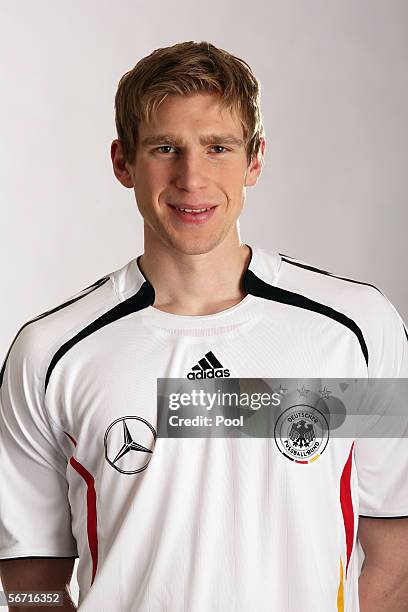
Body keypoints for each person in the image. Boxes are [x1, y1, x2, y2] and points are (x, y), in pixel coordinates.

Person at [0, 40, 407, 612]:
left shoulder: (356, 330)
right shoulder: (49, 354)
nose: (192, 177)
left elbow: (397, 558)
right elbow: (28, 582)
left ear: (256, 159)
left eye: (218, 147)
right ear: (123, 162)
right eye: (166, 148)